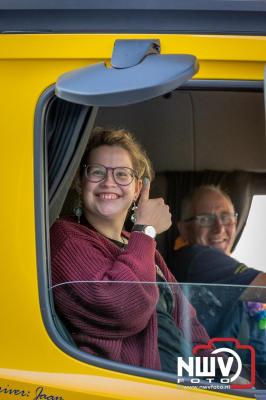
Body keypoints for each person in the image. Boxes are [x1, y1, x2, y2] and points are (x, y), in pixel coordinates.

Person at [50, 127, 212, 374]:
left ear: (137, 189)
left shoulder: (137, 243)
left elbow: (187, 319)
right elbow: (122, 309)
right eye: (97, 172)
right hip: (127, 385)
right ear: (79, 182)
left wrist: (215, 369)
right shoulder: (65, 236)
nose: (109, 182)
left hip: (180, 380)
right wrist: (145, 230)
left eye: (122, 174)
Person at [170, 184, 266, 383]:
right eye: (205, 219)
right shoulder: (195, 258)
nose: (220, 227)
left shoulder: (224, 270)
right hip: (225, 385)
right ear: (184, 229)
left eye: (226, 217)